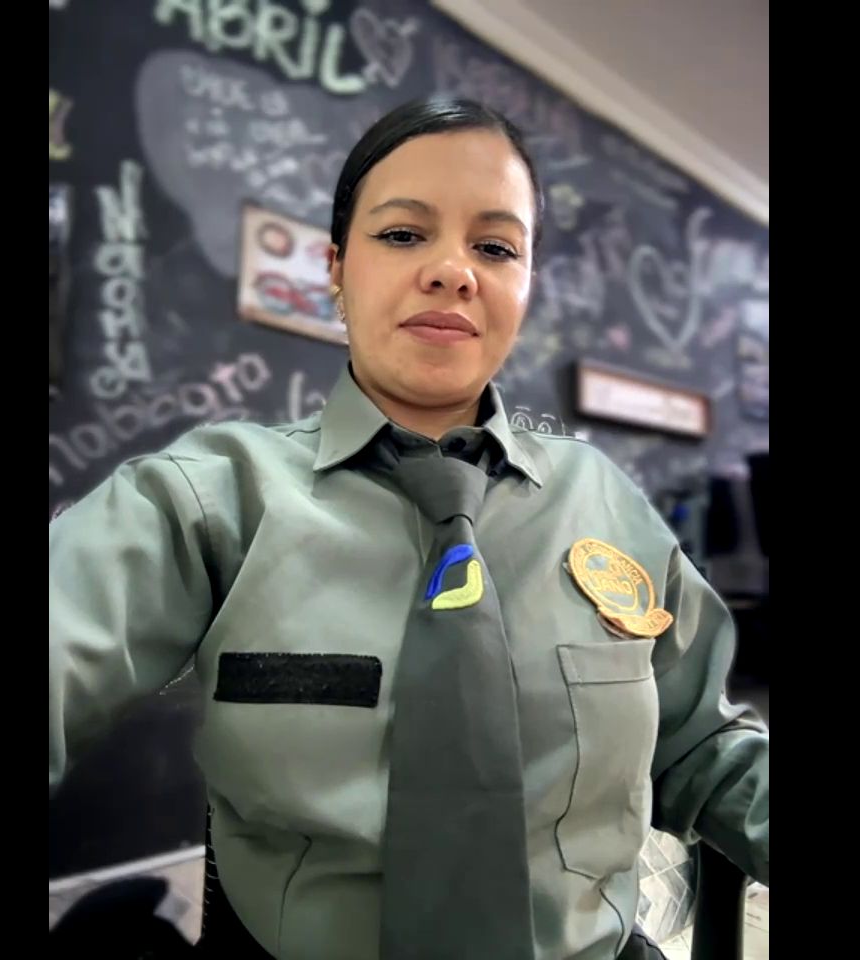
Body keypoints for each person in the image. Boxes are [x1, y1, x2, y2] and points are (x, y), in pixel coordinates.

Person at [49, 96, 768, 960]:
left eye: (496, 248)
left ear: (525, 285)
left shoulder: (608, 505)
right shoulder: (210, 498)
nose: (454, 271)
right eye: (402, 234)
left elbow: (706, 745)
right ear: (335, 268)